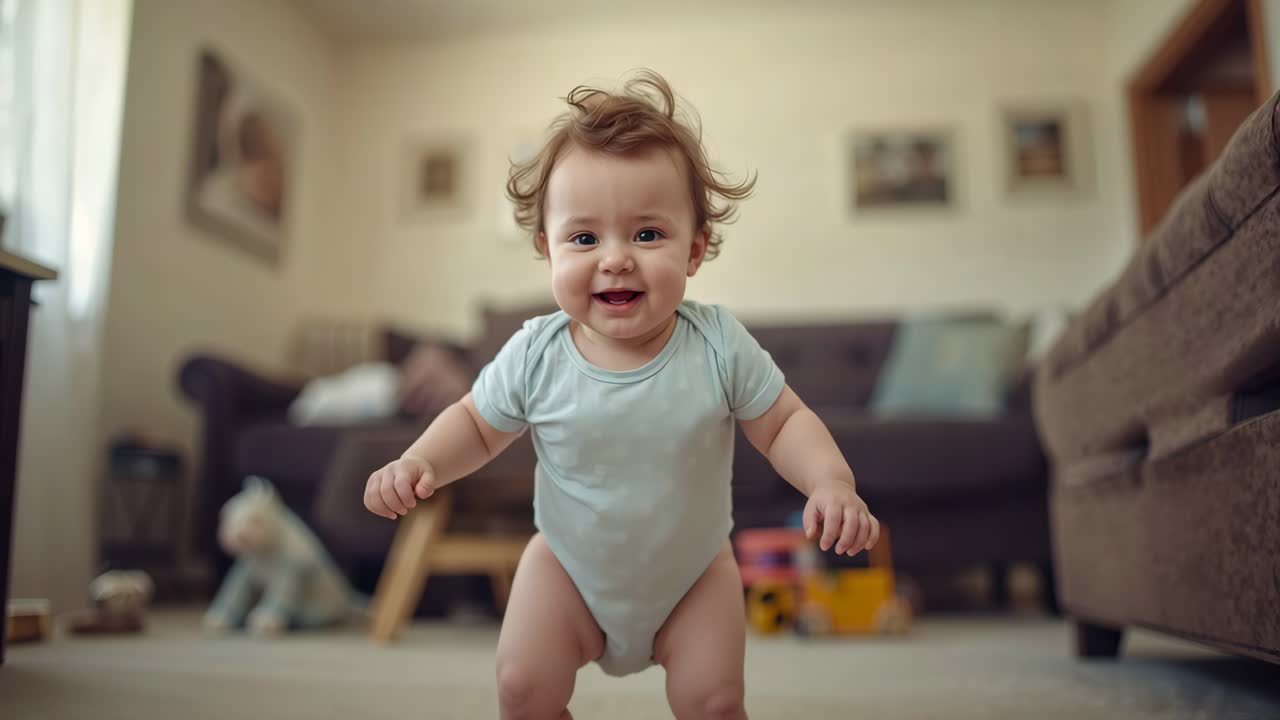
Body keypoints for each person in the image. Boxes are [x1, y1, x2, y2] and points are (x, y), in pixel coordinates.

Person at [364, 69, 879, 720]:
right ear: (547, 249)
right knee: (523, 687)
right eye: (585, 238)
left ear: (694, 251)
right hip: (568, 569)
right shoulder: (536, 351)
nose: (615, 258)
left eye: (646, 234)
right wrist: (421, 463)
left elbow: (782, 424)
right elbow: (475, 423)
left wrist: (831, 482)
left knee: (714, 701)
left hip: (693, 575)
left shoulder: (718, 344)